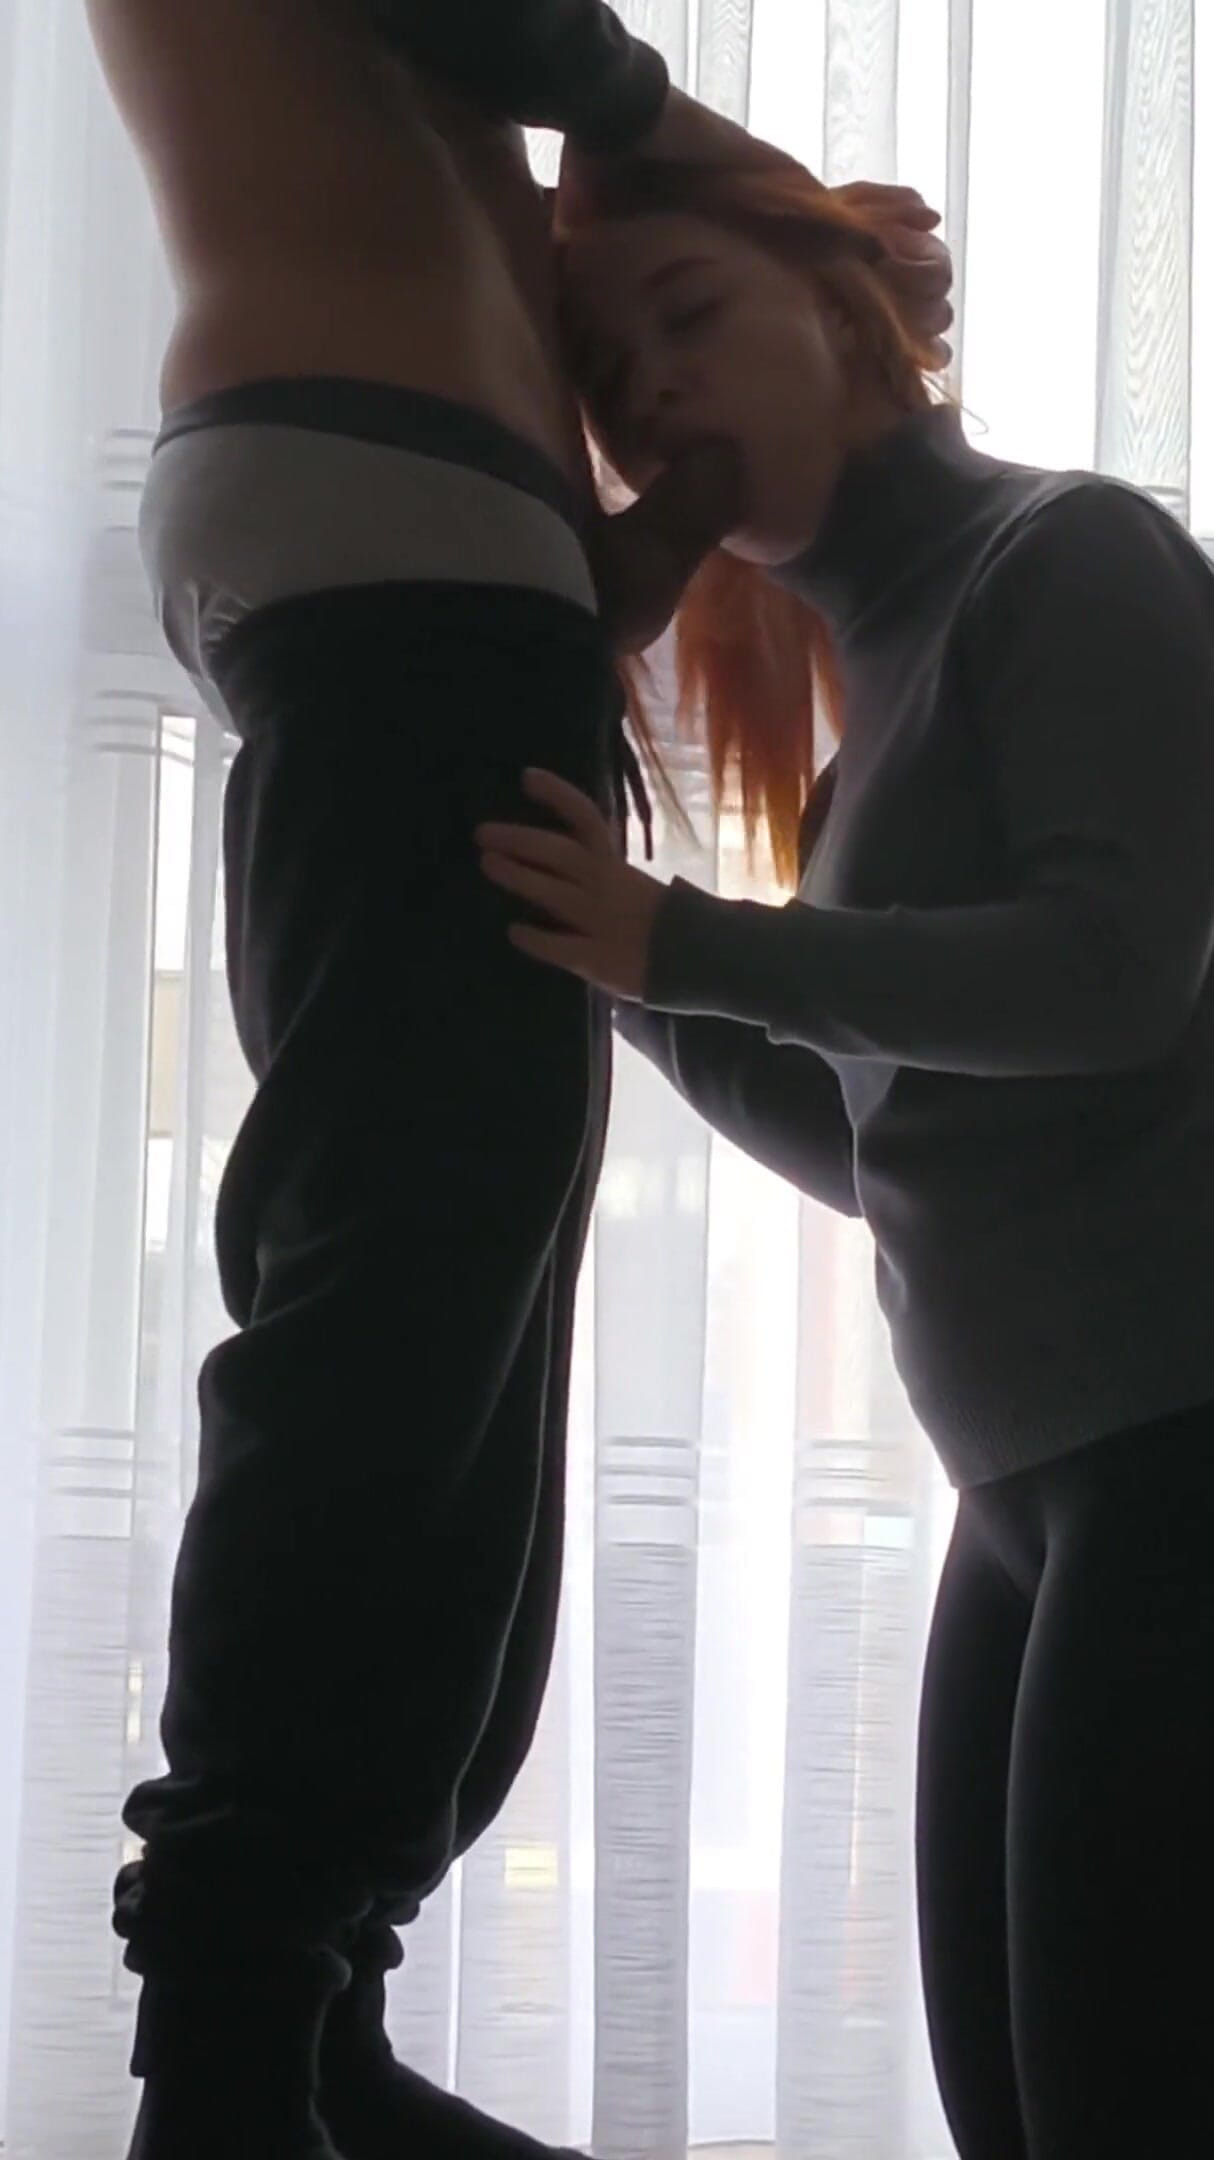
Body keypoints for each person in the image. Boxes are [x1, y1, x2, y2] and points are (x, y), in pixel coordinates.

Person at [83, 5, 951, 2155]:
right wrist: (706, 143)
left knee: (443, 1290)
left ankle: (309, 2015)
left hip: (403, 554)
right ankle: (240, 2032)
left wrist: (641, 537)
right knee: (403, 1291)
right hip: (390, 554)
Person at [476, 154, 1214, 2160]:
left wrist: (686, 948)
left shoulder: (1068, 556)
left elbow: (1109, 976)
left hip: (1174, 1452)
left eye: (689, 313)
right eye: (611, 373)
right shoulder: (871, 678)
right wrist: (617, 968)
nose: (652, 390)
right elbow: (889, 1136)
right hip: (1036, 1481)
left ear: (842, 300)